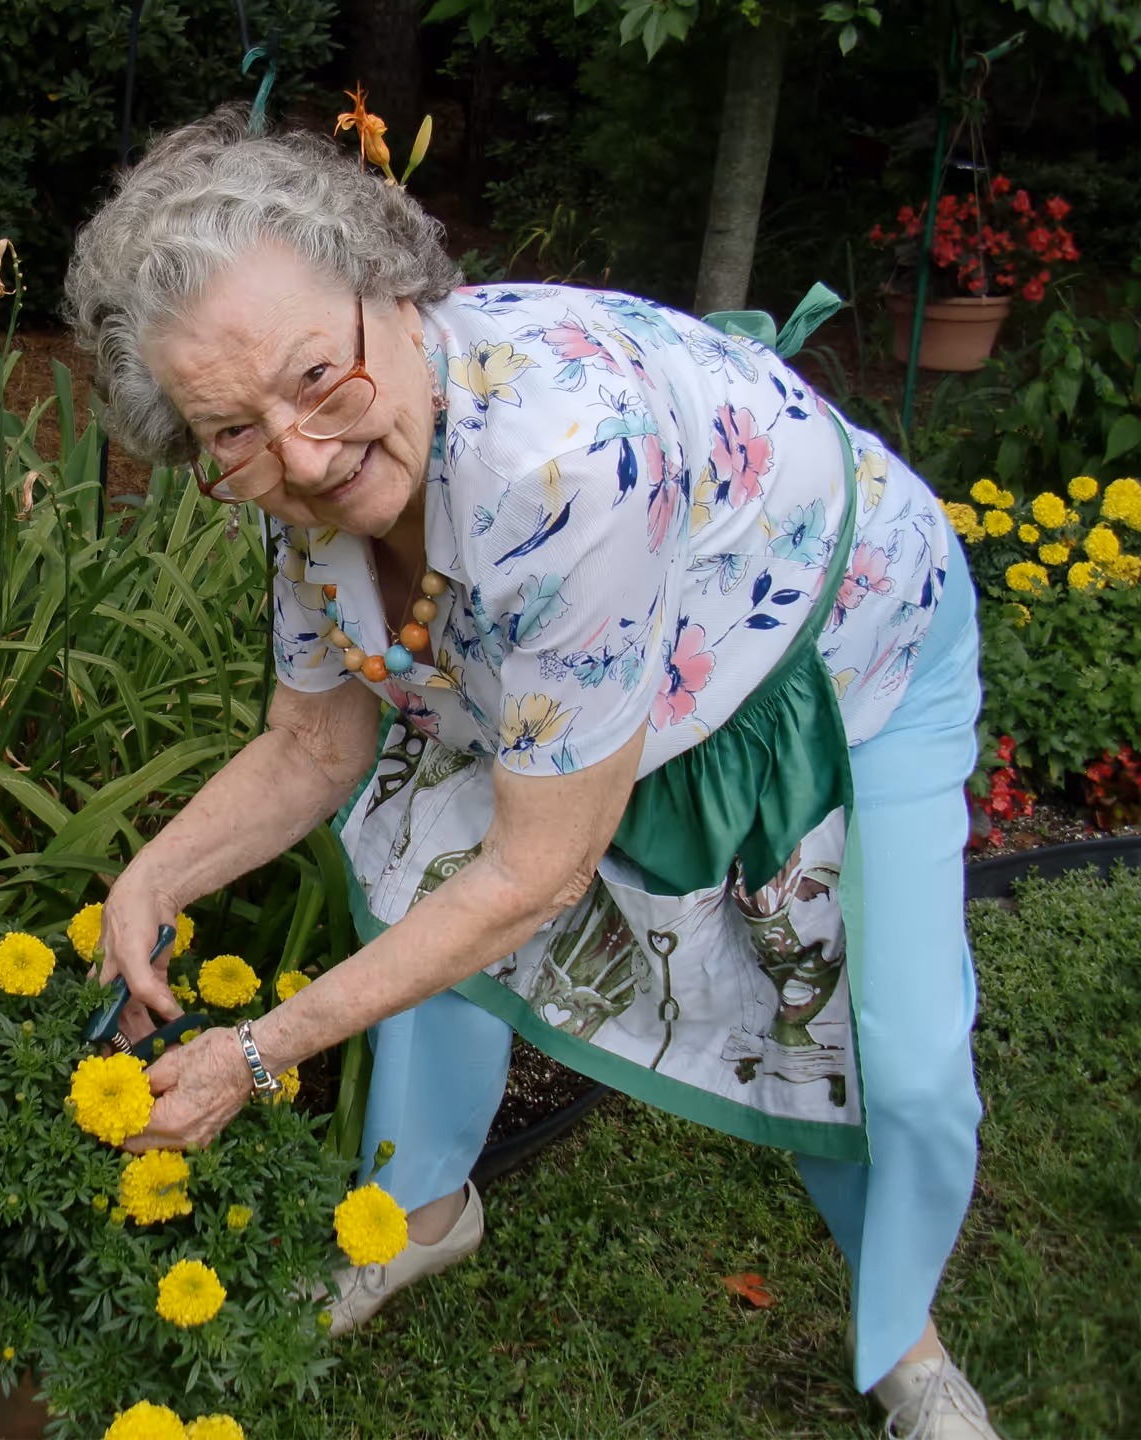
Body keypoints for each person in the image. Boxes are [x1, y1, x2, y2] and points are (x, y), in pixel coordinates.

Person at [63, 107, 999, 1439]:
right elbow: (316, 740)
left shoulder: (561, 464)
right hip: (600, 670)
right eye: (235, 429)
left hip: (835, 659)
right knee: (423, 885)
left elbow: (535, 870)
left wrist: (256, 1057)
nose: (306, 455)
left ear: (389, 285)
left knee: (893, 1060)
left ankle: (903, 1343)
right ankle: (421, 1212)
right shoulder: (303, 480)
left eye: (318, 378)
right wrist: (156, 874)